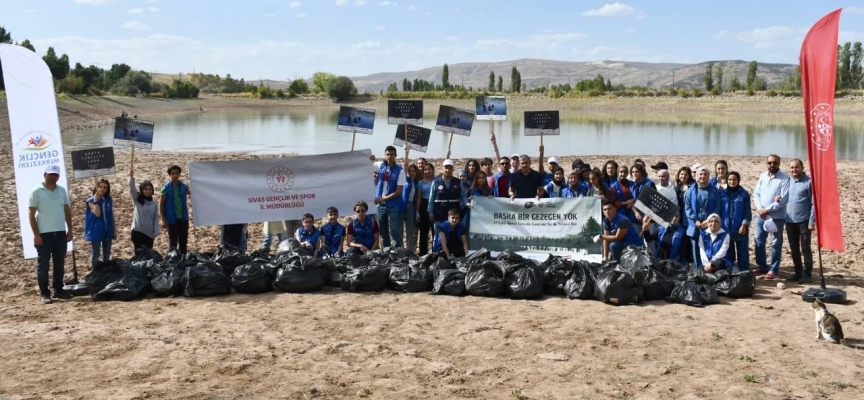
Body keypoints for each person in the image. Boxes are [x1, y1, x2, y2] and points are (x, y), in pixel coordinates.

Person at [29, 165, 74, 304]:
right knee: (43, 265)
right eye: (51, 174)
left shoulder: (61, 191)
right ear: (45, 174)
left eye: (56, 175)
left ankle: (58, 289)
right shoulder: (36, 191)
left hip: (60, 233)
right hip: (44, 234)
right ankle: (44, 293)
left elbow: (67, 210)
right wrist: (36, 235)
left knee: (59, 263)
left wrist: (70, 229)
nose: (53, 177)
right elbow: (31, 214)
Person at [752, 154, 790, 279]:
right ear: (766, 164)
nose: (772, 165)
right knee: (758, 240)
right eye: (769, 163)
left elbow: (783, 200)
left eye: (774, 163)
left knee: (775, 243)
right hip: (761, 216)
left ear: (779, 163)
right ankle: (762, 267)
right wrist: (760, 209)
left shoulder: (785, 179)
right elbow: (756, 194)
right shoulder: (763, 176)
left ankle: (774, 269)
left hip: (777, 217)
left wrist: (767, 209)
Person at [684, 166, 722, 268]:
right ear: (697, 176)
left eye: (705, 174)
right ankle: (698, 269)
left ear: (708, 176)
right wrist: (695, 220)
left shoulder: (714, 191)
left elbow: (717, 206)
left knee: (709, 248)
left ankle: (709, 269)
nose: (703, 176)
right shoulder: (690, 191)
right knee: (695, 249)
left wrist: (708, 220)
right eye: (700, 174)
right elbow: (687, 207)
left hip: (709, 224)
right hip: (695, 225)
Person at [785, 159, 816, 283]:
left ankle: (807, 274)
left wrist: (812, 221)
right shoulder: (789, 181)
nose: (794, 170)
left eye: (796, 167)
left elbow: (814, 203)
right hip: (789, 220)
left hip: (804, 221)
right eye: (792, 167)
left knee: (805, 247)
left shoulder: (809, 182)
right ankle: (798, 272)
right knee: (794, 248)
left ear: (802, 168)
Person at [374, 146, 405, 248]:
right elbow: (366, 166)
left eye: (392, 154)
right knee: (383, 232)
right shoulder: (380, 166)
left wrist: (384, 199)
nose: (389, 157)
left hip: (393, 205)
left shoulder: (400, 171)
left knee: (394, 230)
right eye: (387, 154)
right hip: (381, 206)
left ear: (395, 155)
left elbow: (398, 191)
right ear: (385, 155)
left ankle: (396, 252)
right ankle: (386, 252)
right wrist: (370, 158)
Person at [720, 171, 751, 271]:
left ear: (738, 180)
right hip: (726, 228)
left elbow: (747, 211)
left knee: (743, 253)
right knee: (727, 253)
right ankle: (729, 272)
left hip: (740, 228)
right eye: (729, 179)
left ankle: (744, 273)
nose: (732, 182)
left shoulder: (744, 194)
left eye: (734, 179)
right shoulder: (722, 194)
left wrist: (744, 224)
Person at [428, 159, 467, 238]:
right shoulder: (435, 182)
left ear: (453, 169)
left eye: (450, 168)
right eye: (446, 168)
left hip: (454, 215)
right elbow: (431, 199)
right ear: (442, 169)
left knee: (453, 237)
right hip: (439, 214)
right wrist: (430, 213)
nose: (448, 170)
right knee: (438, 237)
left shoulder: (458, 182)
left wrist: (466, 203)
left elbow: (463, 196)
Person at [128, 155, 159, 251]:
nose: (148, 191)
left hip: (149, 234)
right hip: (137, 232)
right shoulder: (137, 200)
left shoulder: (154, 204)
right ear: (142, 190)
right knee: (139, 256)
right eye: (145, 189)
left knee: (148, 256)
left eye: (150, 189)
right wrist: (131, 177)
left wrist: (155, 232)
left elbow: (155, 219)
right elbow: (132, 189)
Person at [160, 164, 191, 254]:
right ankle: (172, 260)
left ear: (179, 174)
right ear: (169, 175)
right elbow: (161, 205)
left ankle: (183, 259)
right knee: (173, 242)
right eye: (173, 173)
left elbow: (192, 193)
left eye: (177, 173)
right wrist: (163, 219)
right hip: (171, 219)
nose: (175, 175)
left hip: (183, 218)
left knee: (183, 242)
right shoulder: (165, 188)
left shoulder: (183, 186)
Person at [85, 179, 115, 268]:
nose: (102, 189)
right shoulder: (90, 200)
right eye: (100, 187)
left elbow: (111, 215)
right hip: (96, 229)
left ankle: (106, 271)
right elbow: (97, 214)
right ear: (96, 187)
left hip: (108, 229)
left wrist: (114, 230)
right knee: (96, 253)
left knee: (107, 253)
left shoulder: (108, 200)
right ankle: (94, 272)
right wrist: (96, 201)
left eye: (105, 188)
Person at [398, 163, 419, 254]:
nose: (412, 173)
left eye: (414, 171)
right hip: (401, 206)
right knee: (400, 231)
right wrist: (407, 155)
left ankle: (410, 252)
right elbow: (405, 168)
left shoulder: (416, 183)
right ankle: (400, 252)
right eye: (410, 171)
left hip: (410, 207)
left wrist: (416, 211)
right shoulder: (404, 180)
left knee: (410, 232)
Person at [416, 163, 436, 255]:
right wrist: (417, 211)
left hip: (434, 205)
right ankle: (423, 253)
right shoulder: (420, 183)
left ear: (433, 170)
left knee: (435, 231)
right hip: (423, 206)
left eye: (429, 169)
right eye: (425, 170)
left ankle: (435, 252)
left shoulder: (437, 181)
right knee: (423, 231)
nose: (427, 171)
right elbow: (419, 198)